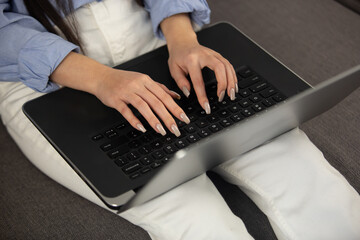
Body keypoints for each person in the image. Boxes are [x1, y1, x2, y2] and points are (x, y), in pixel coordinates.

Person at [1, 0, 359, 239]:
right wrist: (100, 78)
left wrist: (183, 39)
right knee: (195, 220)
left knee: (303, 177)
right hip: (36, 70)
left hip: (150, 28)